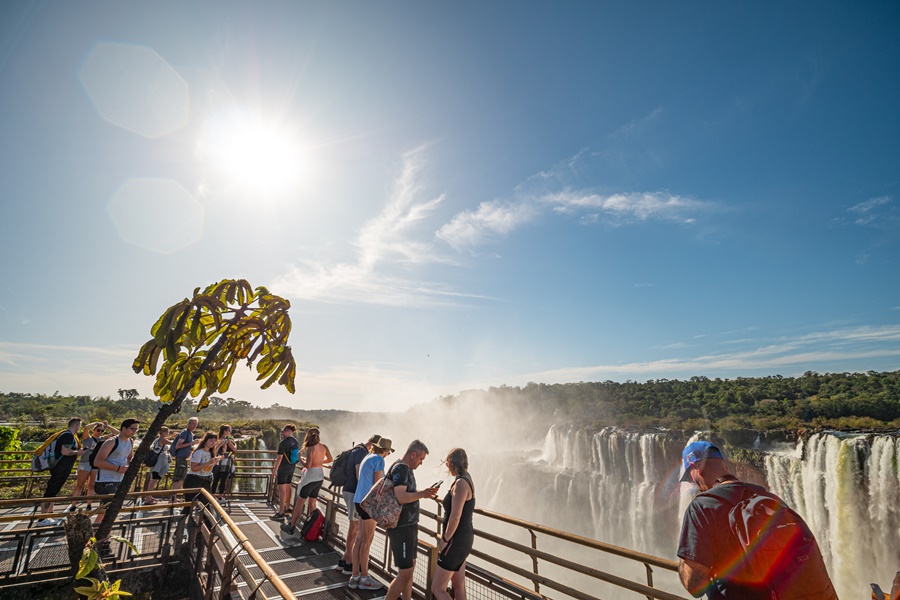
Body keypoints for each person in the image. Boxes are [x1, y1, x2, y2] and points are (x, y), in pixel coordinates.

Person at [677, 440, 838, 599]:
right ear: (724, 466)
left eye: (690, 479)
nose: (694, 485)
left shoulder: (702, 507)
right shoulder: (770, 499)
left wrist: (686, 559)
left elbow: (694, 586)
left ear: (695, 469)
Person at [384, 440, 439, 600]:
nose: (421, 463)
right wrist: (423, 494)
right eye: (421, 459)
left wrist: (424, 492)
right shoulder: (401, 469)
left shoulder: (404, 469)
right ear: (413, 454)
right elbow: (401, 497)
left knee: (410, 568)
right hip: (402, 527)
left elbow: (405, 493)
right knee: (405, 572)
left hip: (409, 526)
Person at [348, 437, 394, 590]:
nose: (388, 455)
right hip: (369, 504)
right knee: (367, 541)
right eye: (388, 452)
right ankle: (365, 578)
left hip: (359, 500)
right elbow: (377, 485)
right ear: (385, 451)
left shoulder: (367, 456)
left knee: (360, 539)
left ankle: (354, 577)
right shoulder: (379, 460)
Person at [432, 448, 475, 600]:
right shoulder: (466, 478)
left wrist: (444, 540)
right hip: (463, 539)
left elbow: (455, 516)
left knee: (438, 588)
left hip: (455, 541)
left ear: (451, 464)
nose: (446, 467)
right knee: (458, 584)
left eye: (447, 463)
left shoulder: (461, 484)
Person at [337, 434, 382, 575]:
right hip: (355, 493)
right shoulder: (363, 452)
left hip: (350, 491)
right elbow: (359, 475)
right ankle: (349, 562)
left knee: (355, 527)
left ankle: (346, 558)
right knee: (355, 527)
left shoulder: (359, 450)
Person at [283, 427, 333, 532]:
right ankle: (312, 527)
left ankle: (291, 526)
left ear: (308, 436)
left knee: (300, 502)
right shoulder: (323, 446)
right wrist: (319, 462)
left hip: (310, 478)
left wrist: (300, 457)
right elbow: (330, 459)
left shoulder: (311, 447)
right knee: (312, 502)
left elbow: (308, 466)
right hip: (319, 477)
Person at [37, 417, 85, 525]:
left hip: (60, 467)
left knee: (53, 491)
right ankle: (42, 518)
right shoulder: (68, 436)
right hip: (60, 467)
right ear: (76, 425)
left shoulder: (65, 434)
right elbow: (65, 451)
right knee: (51, 491)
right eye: (80, 426)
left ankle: (49, 515)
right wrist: (78, 452)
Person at [69, 420, 118, 513]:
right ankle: (73, 505)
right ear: (94, 430)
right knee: (80, 485)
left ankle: (89, 504)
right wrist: (96, 423)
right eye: (98, 430)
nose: (99, 432)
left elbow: (116, 433)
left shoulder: (103, 439)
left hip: (95, 464)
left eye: (101, 431)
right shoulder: (87, 439)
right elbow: (87, 427)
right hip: (85, 463)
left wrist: (107, 426)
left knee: (91, 485)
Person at [181, 431, 223, 507]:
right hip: (194, 480)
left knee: (206, 505)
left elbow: (208, 467)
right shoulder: (199, 452)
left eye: (214, 441)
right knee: (189, 506)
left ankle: (206, 518)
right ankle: (184, 518)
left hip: (206, 479)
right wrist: (208, 462)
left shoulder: (211, 452)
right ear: (205, 441)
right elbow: (194, 468)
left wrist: (215, 461)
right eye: (211, 440)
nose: (213, 443)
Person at [271, 424, 299, 520]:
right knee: (288, 487)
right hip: (292, 467)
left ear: (287, 431)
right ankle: (287, 508)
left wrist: (274, 470)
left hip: (283, 468)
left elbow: (279, 458)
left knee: (282, 490)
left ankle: (281, 512)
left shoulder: (283, 443)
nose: (282, 433)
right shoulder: (295, 441)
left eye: (283, 431)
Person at [142, 426, 172, 505]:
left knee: (153, 480)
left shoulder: (157, 439)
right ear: (164, 432)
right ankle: (147, 498)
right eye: (167, 432)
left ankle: (149, 496)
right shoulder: (162, 440)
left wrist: (172, 437)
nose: (168, 434)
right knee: (153, 480)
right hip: (159, 463)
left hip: (156, 462)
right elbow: (172, 443)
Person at [170, 417, 199, 492]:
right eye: (193, 424)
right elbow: (178, 445)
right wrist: (192, 443)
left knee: (180, 477)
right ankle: (173, 498)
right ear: (188, 424)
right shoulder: (185, 432)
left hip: (184, 457)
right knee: (180, 477)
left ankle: (174, 497)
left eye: (196, 424)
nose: (195, 426)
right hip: (181, 457)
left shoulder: (189, 433)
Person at [211, 424, 237, 499]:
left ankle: (212, 496)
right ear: (225, 431)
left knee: (216, 479)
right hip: (225, 462)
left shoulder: (217, 439)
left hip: (217, 461)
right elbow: (234, 449)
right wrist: (235, 444)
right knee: (223, 480)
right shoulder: (227, 440)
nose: (230, 432)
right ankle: (220, 496)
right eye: (229, 430)